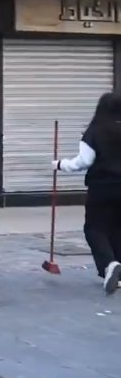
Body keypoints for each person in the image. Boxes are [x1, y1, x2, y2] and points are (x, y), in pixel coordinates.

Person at [52, 91, 121, 295]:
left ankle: (109, 264)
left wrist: (60, 164)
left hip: (102, 186)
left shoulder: (95, 130)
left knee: (94, 228)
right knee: (118, 228)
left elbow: (83, 162)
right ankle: (118, 270)